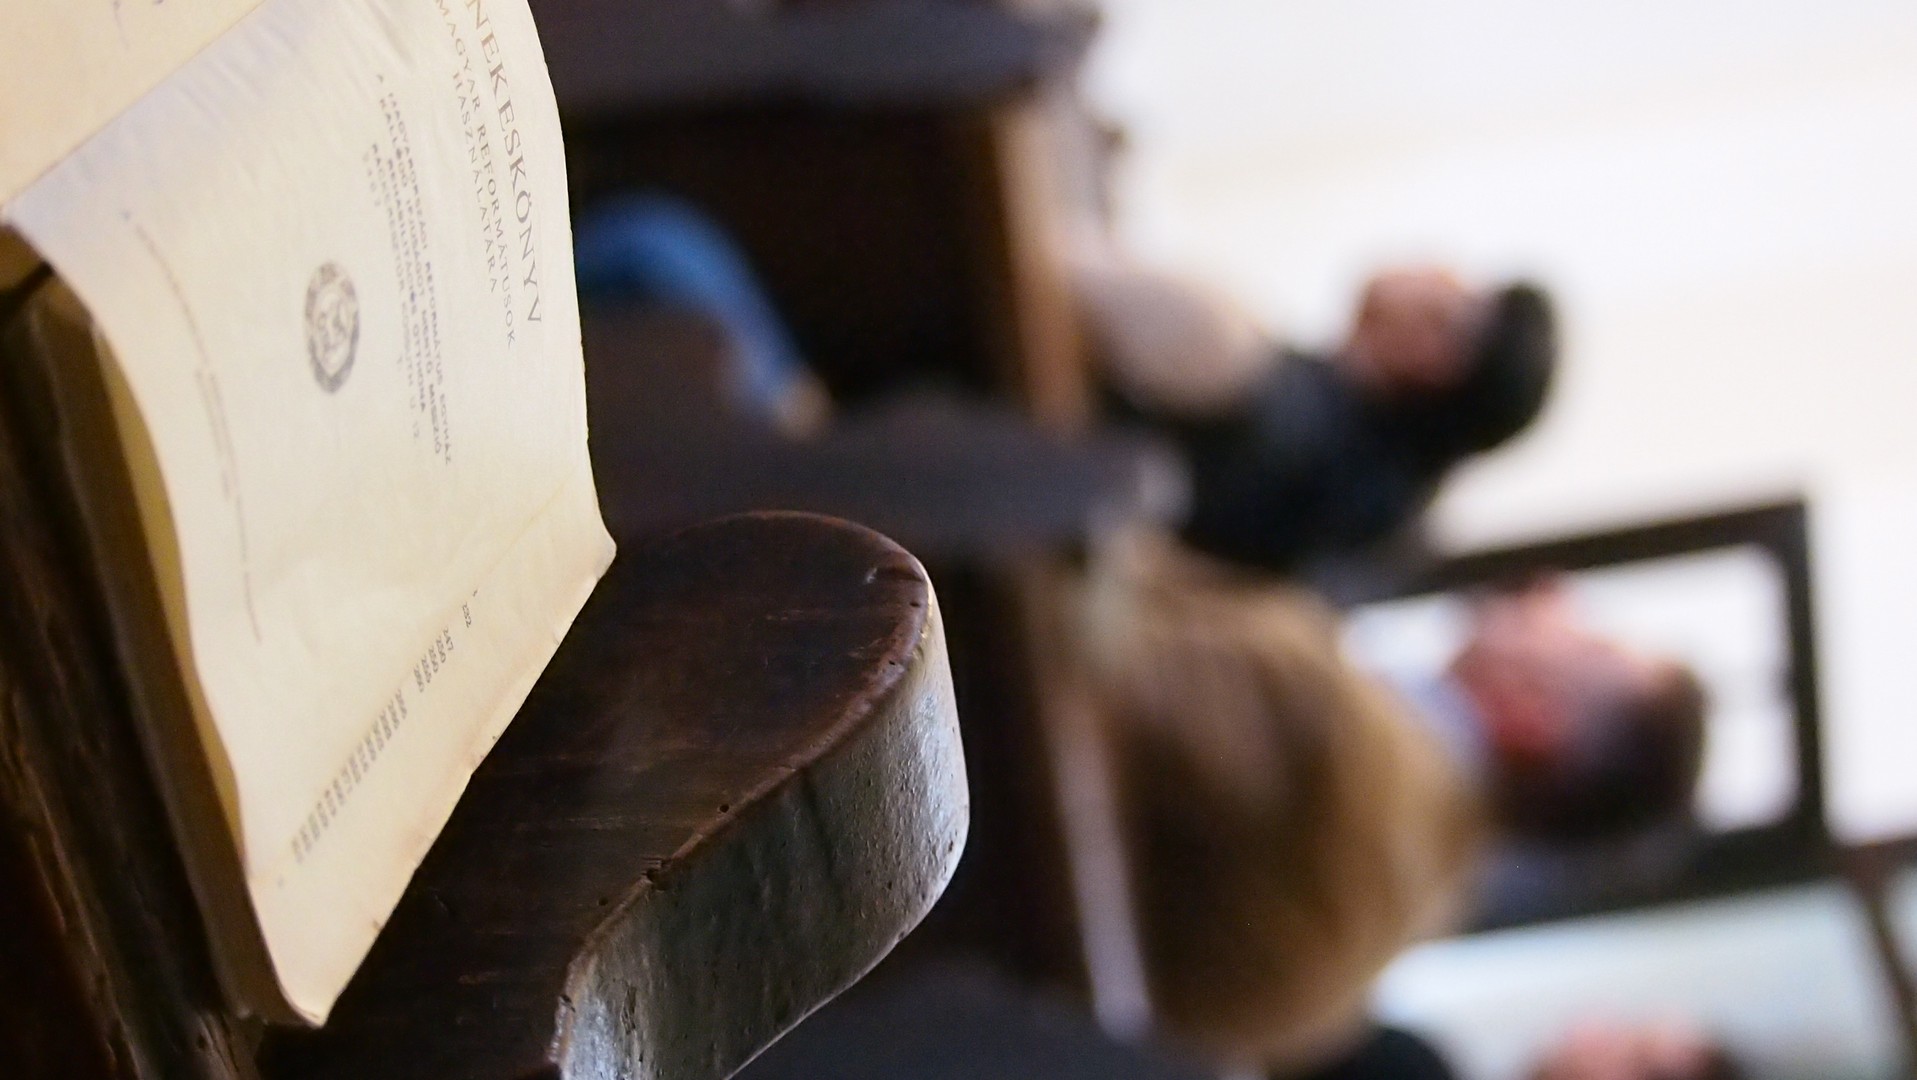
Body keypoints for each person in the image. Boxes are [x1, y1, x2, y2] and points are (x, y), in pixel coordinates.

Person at [1075, 537, 1706, 1079]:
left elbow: (1053, 627)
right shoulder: (1365, 960)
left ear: (1536, 722)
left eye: (1586, 639)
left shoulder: (1321, 724)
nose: (1549, 596)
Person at [1073, 258, 1557, 577]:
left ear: (1438, 355)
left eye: (1463, 294)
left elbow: (1047, 265)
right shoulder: (1348, 533)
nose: (1442, 272)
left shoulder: (1219, 347)